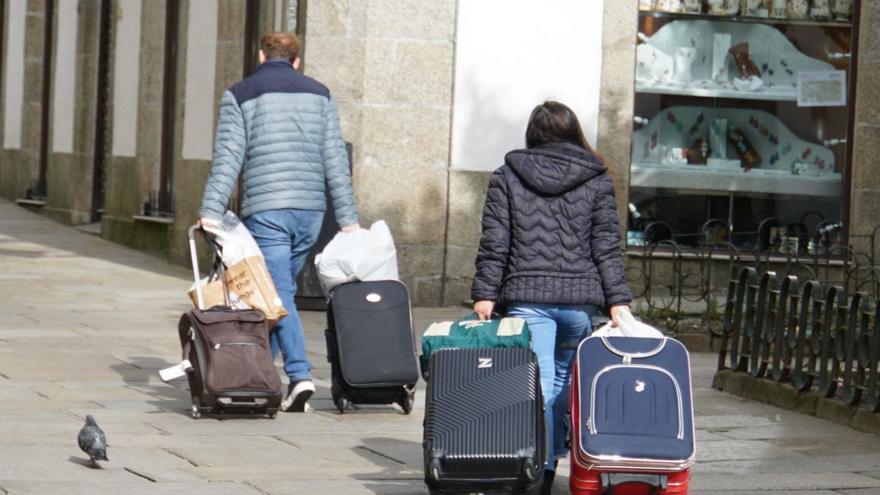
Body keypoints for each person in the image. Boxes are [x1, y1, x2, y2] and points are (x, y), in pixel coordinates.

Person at [470, 101, 633, 493]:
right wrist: (617, 300)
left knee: (535, 384)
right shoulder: (596, 178)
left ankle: (534, 465)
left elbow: (496, 242)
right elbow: (606, 246)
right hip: (580, 303)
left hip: (528, 299)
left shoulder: (507, 176)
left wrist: (484, 294)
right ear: (573, 131)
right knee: (562, 384)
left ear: (533, 133)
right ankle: (548, 464)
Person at [199, 32, 359, 413]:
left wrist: (210, 209)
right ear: (296, 60)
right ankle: (260, 374)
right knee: (274, 293)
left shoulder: (241, 93)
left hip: (267, 210)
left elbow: (228, 158)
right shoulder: (321, 94)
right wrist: (348, 218)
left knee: (277, 295)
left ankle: (300, 375)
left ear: (260, 54)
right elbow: (335, 158)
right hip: (311, 212)